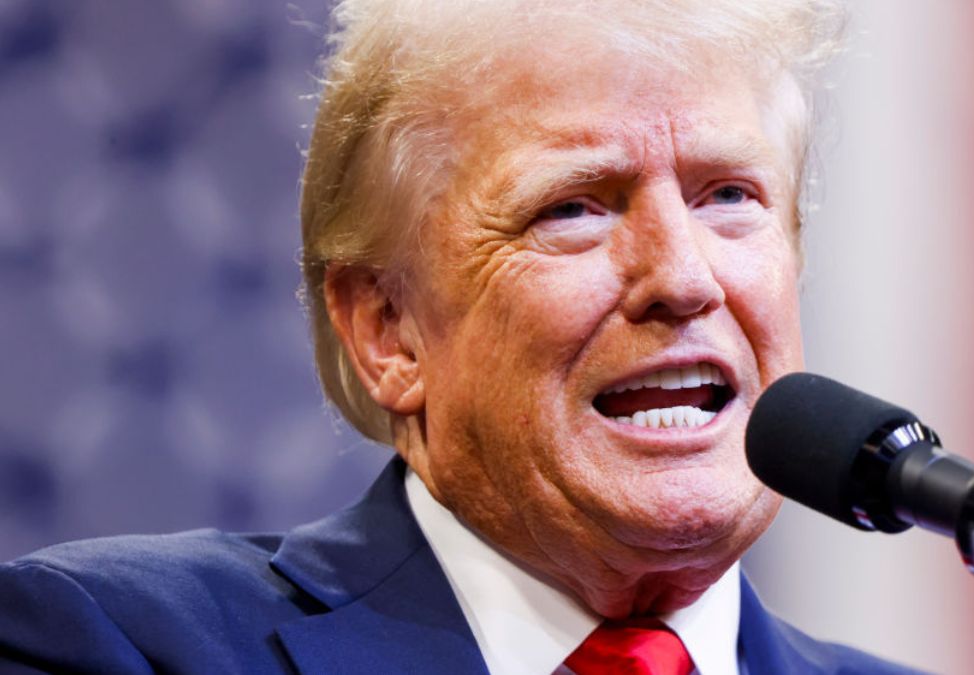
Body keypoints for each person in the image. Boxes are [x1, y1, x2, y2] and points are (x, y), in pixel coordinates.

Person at [0, 1, 921, 673]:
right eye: (573, 208)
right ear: (387, 329)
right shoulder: (110, 642)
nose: (682, 277)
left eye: (729, 196)